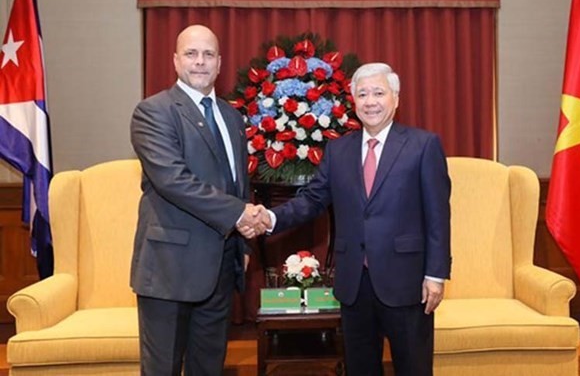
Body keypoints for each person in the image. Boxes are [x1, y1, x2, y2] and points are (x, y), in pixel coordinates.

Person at [258, 62, 451, 375]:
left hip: (407, 281)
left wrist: (436, 274)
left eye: (378, 93)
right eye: (362, 94)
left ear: (396, 98)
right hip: (353, 284)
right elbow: (312, 200)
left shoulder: (423, 145)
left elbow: (438, 216)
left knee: (413, 367)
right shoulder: (338, 150)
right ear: (353, 101)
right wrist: (269, 217)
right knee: (360, 367)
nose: (370, 101)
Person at [130, 24, 265, 376]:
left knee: (209, 367)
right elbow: (173, 181)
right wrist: (240, 214)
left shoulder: (233, 117)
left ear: (220, 63)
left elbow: (239, 183)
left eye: (208, 55)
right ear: (175, 61)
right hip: (170, 269)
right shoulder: (153, 112)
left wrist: (245, 247)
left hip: (220, 268)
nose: (200, 62)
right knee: (163, 369)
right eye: (191, 54)